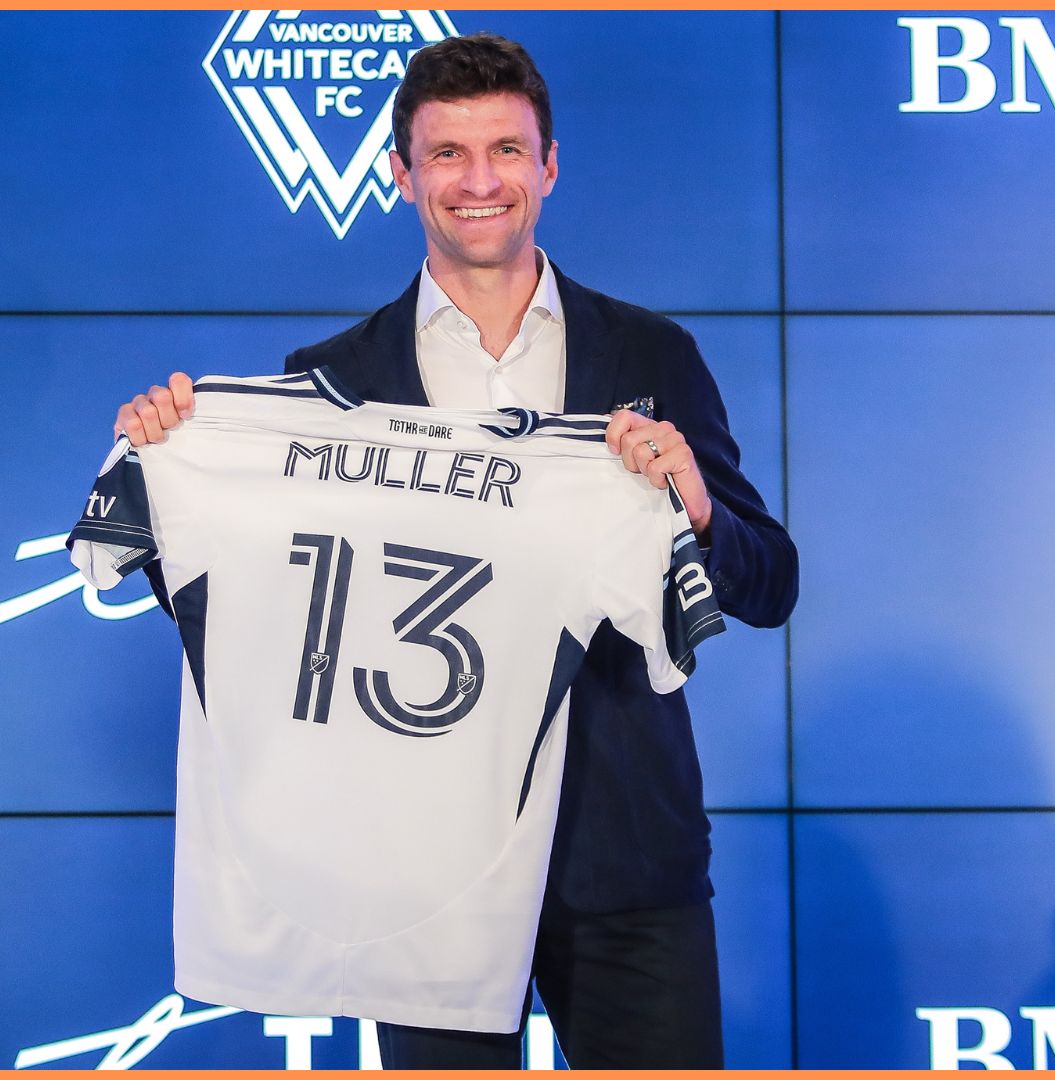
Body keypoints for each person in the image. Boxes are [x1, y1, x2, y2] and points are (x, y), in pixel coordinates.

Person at [112, 32, 797, 1069]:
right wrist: (170, 472)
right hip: (421, 871)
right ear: (402, 174)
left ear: (550, 166)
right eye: (446, 155)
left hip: (626, 860)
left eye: (507, 151)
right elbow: (268, 601)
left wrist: (697, 508)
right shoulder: (332, 381)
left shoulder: (653, 355)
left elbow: (770, 585)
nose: (480, 182)